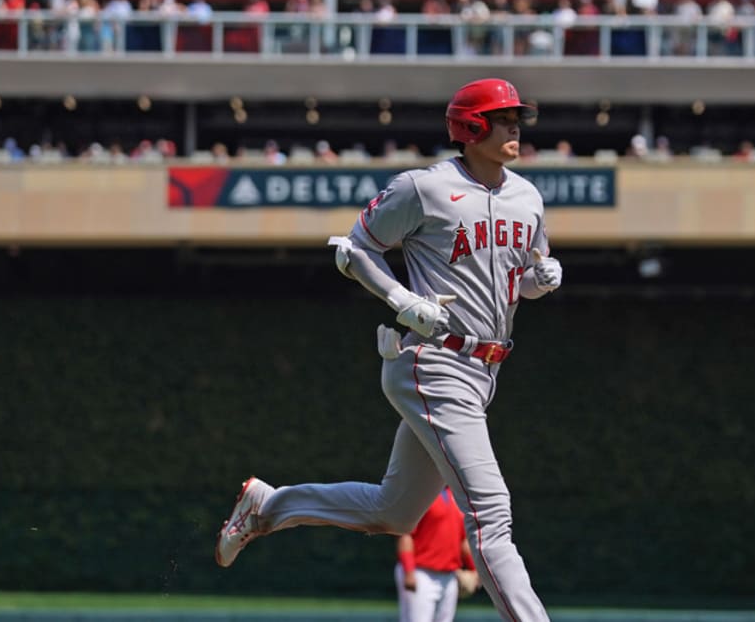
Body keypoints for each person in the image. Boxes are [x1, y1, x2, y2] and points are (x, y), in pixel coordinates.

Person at [215, 78, 561, 622]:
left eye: (517, 115)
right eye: (502, 117)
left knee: (394, 512)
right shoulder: (423, 187)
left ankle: (269, 506)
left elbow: (524, 277)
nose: (515, 125)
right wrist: (401, 297)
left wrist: (541, 279)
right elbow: (353, 249)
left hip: (484, 369)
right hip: (433, 360)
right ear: (471, 128)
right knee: (492, 516)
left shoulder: (528, 196)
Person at [396, 488, 479, 622]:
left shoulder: (457, 497)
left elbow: (462, 540)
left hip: (450, 575)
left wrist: (475, 570)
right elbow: (406, 535)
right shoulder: (420, 494)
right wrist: (409, 571)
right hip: (420, 573)